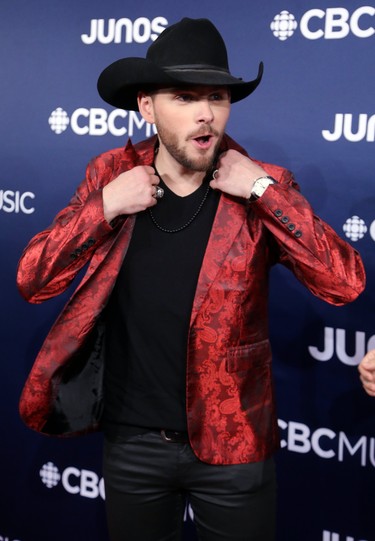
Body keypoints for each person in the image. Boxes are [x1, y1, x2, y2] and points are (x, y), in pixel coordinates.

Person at [17, 17, 365, 541]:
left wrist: (265, 191)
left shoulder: (259, 183)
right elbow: (34, 279)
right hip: (132, 444)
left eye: (218, 96)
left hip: (234, 446)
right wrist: (106, 206)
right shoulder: (110, 175)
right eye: (184, 96)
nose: (206, 113)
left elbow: (344, 282)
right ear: (147, 106)